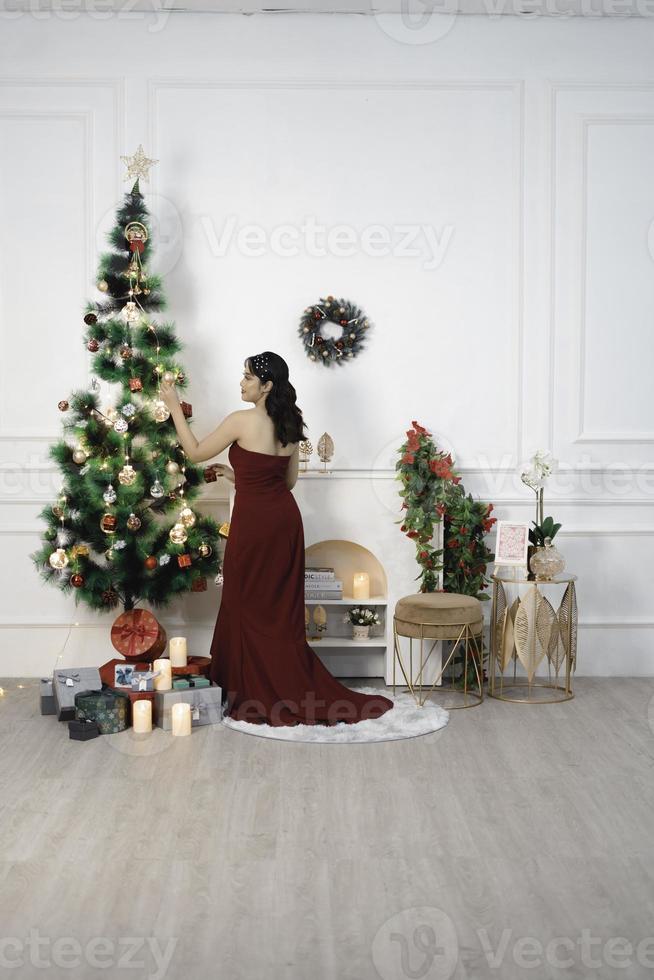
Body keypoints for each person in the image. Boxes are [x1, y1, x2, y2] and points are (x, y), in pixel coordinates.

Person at [159, 351, 394, 727]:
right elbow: (285, 483)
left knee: (241, 605)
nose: (242, 382)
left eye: (248, 377)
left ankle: (245, 689)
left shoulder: (241, 421)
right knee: (278, 614)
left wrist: (173, 406)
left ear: (267, 386)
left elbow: (194, 451)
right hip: (284, 523)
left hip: (253, 527)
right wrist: (242, 477)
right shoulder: (291, 421)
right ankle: (283, 682)